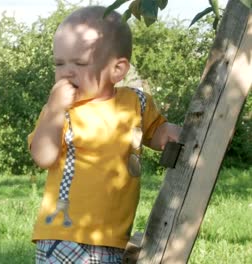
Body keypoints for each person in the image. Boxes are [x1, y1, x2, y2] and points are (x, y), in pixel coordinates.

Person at [28, 6, 181, 264]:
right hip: (66, 236)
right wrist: (54, 110)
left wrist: (168, 132)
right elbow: (43, 157)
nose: (67, 72)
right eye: (59, 63)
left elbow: (154, 133)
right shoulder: (59, 112)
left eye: (79, 63)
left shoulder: (136, 103)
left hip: (113, 237)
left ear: (117, 70)